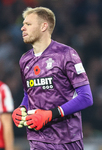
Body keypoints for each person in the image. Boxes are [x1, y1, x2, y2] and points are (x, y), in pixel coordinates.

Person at [12, 7, 93, 150]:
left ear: (44, 26)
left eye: (28, 24)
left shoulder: (66, 54)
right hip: (37, 139)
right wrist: (22, 108)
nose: (22, 28)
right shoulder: (24, 60)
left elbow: (86, 97)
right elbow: (28, 94)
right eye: (23, 24)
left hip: (66, 140)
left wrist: (50, 114)